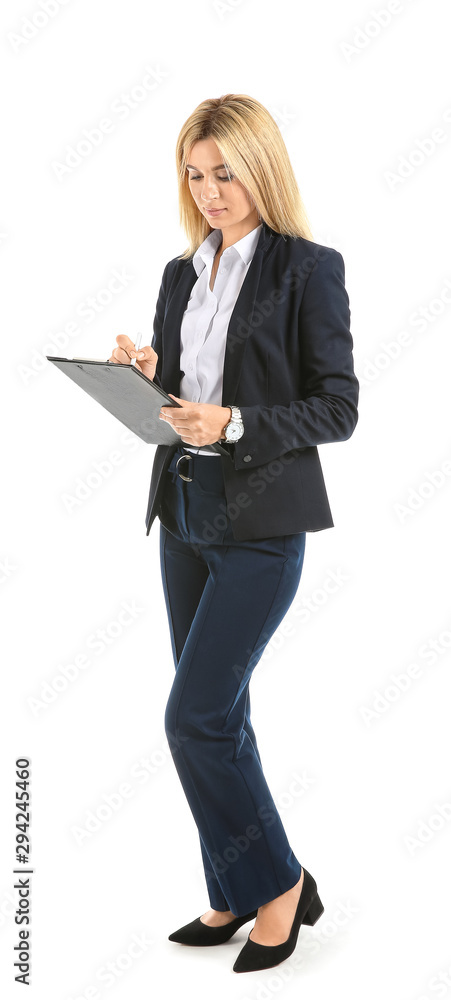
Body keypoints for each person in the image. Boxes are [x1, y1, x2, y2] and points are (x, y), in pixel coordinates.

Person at [108, 93, 359, 975]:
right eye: (194, 174)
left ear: (258, 167)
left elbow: (338, 407)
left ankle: (281, 883)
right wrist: (149, 375)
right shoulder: (184, 272)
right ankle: (231, 885)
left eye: (223, 172)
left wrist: (241, 423)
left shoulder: (307, 269)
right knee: (225, 716)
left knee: (194, 717)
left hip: (258, 524)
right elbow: (184, 397)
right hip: (182, 509)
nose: (209, 192)